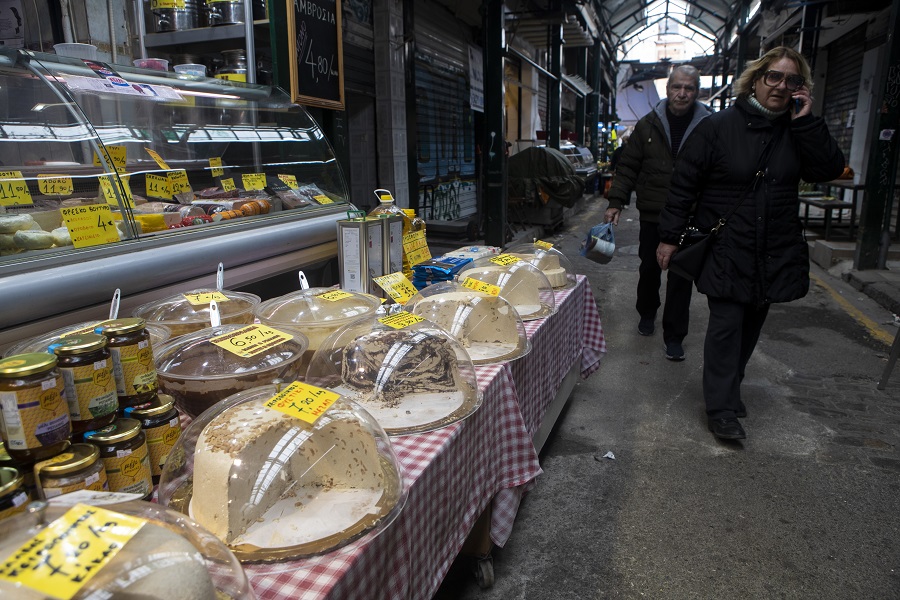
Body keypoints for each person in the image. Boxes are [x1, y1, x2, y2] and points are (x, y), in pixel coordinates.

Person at [656, 47, 844, 441]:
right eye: (773, 77)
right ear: (755, 80)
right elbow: (684, 186)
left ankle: (730, 387)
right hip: (728, 244)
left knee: (753, 322)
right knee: (726, 324)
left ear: (801, 89)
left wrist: (807, 122)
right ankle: (721, 408)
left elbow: (828, 169)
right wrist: (669, 238)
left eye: (791, 80)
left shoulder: (796, 130)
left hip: (775, 246)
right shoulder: (717, 127)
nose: (780, 86)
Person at [604, 65, 713, 361]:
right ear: (668, 90)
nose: (682, 93)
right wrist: (616, 201)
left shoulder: (709, 125)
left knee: (681, 275)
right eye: (677, 87)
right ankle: (647, 312)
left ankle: (675, 335)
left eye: (689, 88)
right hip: (654, 212)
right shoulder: (648, 125)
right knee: (649, 268)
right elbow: (628, 166)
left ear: (697, 91)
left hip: (691, 214)